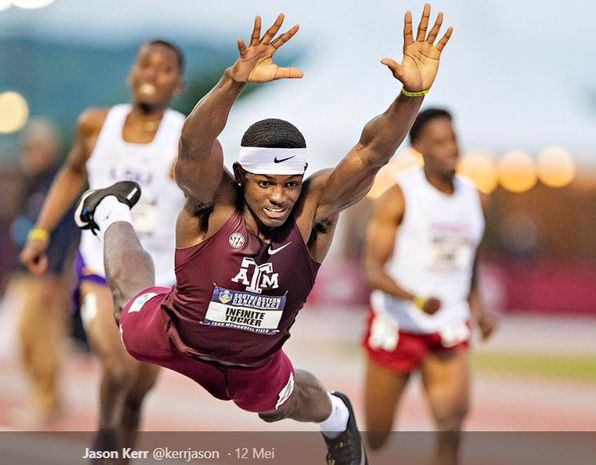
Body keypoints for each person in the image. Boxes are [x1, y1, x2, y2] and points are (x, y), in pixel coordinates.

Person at [71, 6, 452, 465]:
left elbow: (371, 154)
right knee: (126, 310)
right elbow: (192, 146)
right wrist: (233, 81)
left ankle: (336, 418)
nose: (279, 198)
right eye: (265, 184)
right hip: (175, 334)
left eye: (290, 184)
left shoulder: (317, 210)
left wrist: (413, 94)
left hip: (254, 362)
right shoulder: (214, 200)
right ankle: (111, 208)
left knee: (277, 408)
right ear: (241, 176)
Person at [20, 40, 186, 456]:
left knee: (139, 389)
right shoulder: (96, 126)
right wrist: (40, 233)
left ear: (178, 84)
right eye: (145, 64)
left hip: (161, 277)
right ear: (131, 74)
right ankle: (104, 431)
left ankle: (119, 443)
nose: (151, 73)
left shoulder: (186, 136)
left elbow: (212, 197)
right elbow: (73, 172)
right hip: (100, 265)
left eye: (164, 68)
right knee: (117, 365)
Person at [361, 108, 498, 465]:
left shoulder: (476, 199)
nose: (451, 148)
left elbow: (471, 265)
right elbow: (373, 271)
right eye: (439, 142)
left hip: (448, 324)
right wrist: (416, 299)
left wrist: (480, 311)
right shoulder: (399, 196)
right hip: (398, 325)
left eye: (453, 139)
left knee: (451, 421)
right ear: (418, 148)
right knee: (375, 436)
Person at [3, 120, 80, 426]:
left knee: (40, 337)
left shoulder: (58, 184)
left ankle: (46, 402)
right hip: (26, 271)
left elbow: (65, 234)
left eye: (35, 149)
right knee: (30, 338)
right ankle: (47, 398)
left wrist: (57, 273)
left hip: (47, 274)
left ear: (47, 150)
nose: (30, 155)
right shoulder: (31, 182)